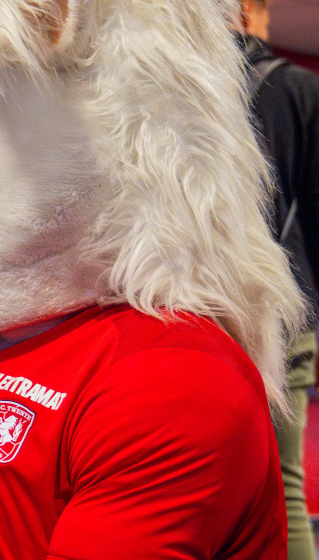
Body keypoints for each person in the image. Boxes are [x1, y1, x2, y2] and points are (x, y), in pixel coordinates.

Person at [239, 2, 319, 558]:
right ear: (255, 16)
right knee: (284, 480)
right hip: (288, 306)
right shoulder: (301, 90)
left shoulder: (179, 89)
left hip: (205, 307)